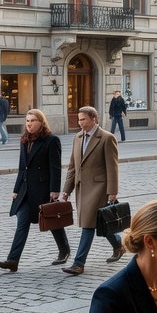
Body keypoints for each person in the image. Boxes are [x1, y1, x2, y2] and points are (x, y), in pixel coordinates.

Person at [0, 109, 70, 271]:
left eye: (33, 121)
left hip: (43, 189)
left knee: (51, 219)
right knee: (22, 223)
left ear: (41, 122)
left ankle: (64, 250)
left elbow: (55, 167)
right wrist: (16, 189)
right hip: (25, 191)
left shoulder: (51, 140)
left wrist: (54, 189)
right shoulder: (24, 140)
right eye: (27, 121)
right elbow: (22, 168)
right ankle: (13, 260)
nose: (29, 124)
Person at [59, 105, 125, 274]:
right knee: (100, 221)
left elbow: (112, 168)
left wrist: (112, 192)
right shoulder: (78, 137)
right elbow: (73, 166)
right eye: (79, 120)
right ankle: (119, 245)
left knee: (88, 224)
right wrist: (66, 190)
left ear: (94, 119)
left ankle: (78, 263)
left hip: (99, 188)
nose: (80, 123)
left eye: (83, 119)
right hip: (82, 188)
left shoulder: (106, 138)